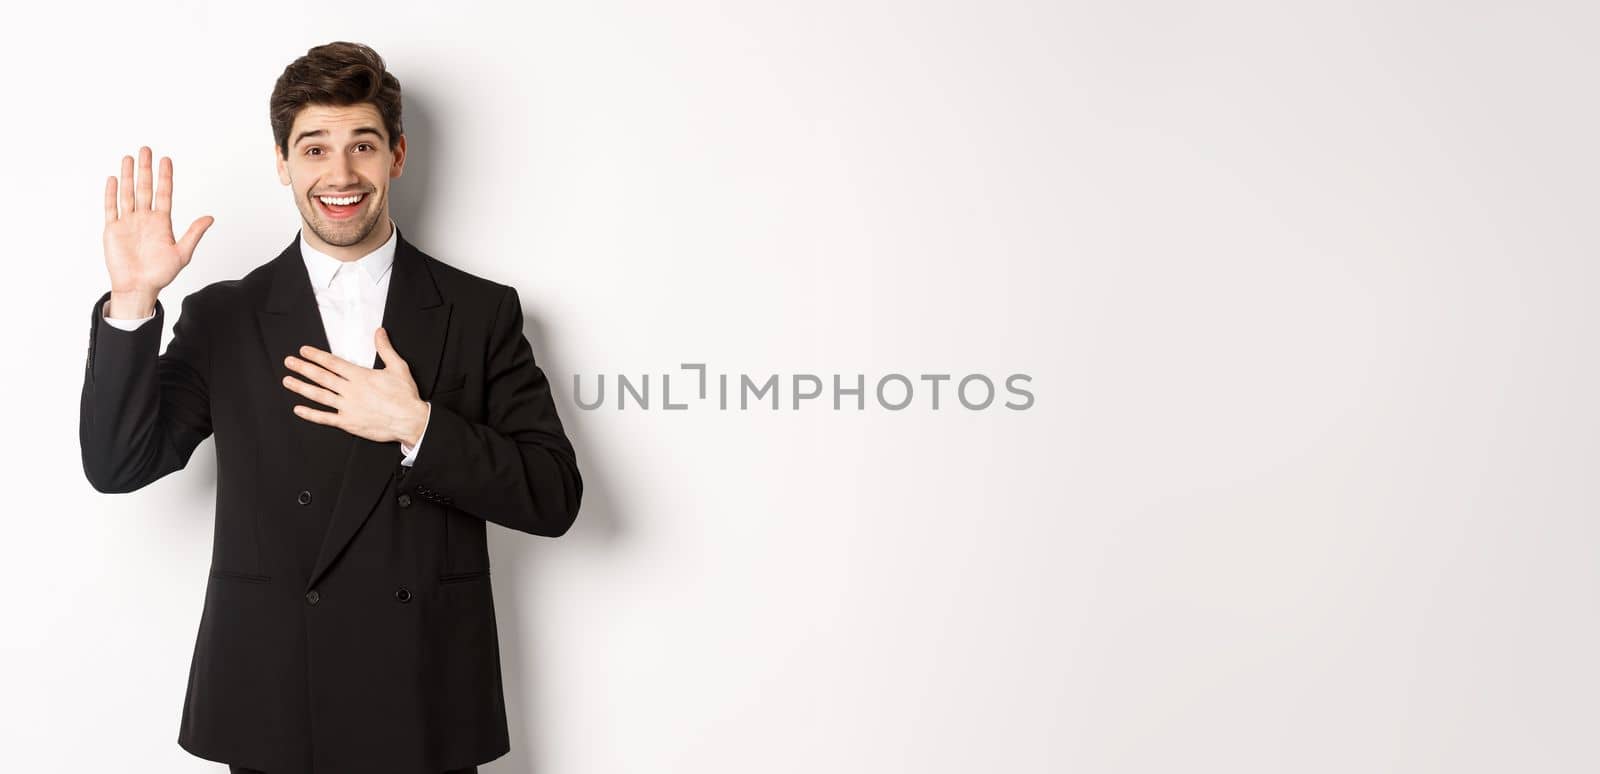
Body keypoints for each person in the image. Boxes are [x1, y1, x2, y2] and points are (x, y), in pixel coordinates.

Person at [78, 41, 583, 774]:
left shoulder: (479, 312)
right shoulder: (226, 315)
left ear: (397, 156)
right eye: (315, 148)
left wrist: (418, 426)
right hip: (276, 701)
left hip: (425, 696)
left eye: (363, 146)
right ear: (282, 163)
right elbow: (117, 464)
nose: (340, 174)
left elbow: (555, 497)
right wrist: (131, 301)